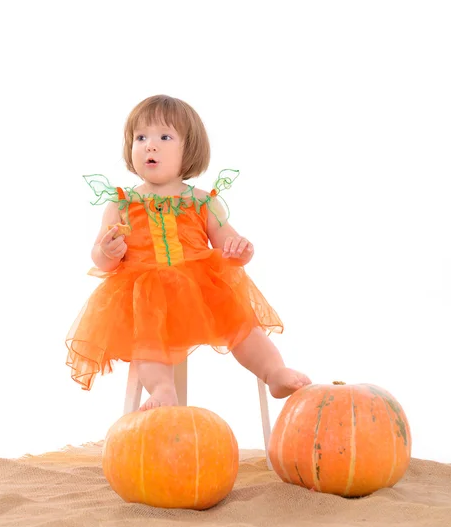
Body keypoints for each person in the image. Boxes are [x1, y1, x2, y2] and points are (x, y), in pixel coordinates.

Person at [66, 94, 311, 410]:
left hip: (200, 288)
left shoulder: (202, 201)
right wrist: (108, 250)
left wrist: (240, 250)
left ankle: (274, 371)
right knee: (148, 344)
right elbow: (100, 259)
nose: (150, 146)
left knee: (242, 328)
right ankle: (162, 389)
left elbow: (229, 243)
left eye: (164, 137)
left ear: (189, 149)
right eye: (141, 137)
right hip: (145, 292)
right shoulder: (121, 203)